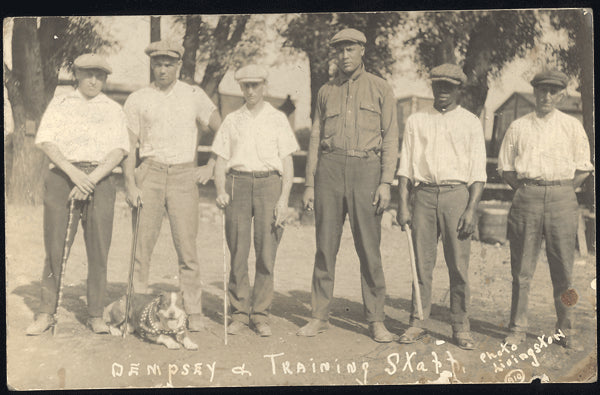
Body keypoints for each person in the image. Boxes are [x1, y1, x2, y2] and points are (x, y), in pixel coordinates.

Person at [297, 28, 399, 343]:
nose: (344, 56)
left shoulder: (381, 88)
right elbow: (315, 136)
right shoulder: (326, 91)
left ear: (362, 51)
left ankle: (376, 320)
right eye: (339, 50)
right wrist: (310, 183)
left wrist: (385, 182)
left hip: (366, 171)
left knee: (369, 250)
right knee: (325, 248)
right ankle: (319, 316)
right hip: (329, 169)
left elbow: (391, 137)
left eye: (350, 49)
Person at [26, 54, 130, 335]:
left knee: (98, 249)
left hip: (101, 180)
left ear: (105, 79)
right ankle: (46, 312)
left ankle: (96, 313)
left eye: (99, 75)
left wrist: (91, 179)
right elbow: (47, 142)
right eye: (87, 74)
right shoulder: (61, 104)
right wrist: (75, 175)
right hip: (63, 177)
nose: (94, 80)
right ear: (77, 75)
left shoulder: (112, 109)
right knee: (56, 248)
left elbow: (119, 150)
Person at [123, 40, 222, 332]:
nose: (163, 69)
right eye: (158, 63)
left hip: (183, 175)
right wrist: (130, 182)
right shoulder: (138, 98)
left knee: (187, 248)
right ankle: (136, 309)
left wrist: (212, 165)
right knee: (141, 247)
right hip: (149, 173)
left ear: (178, 65)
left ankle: (193, 311)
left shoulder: (194, 95)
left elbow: (225, 129)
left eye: (169, 64)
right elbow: (129, 145)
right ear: (152, 64)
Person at [498, 69, 592, 350]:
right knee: (521, 270)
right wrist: (530, 190)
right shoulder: (519, 126)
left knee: (564, 270)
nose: (547, 96)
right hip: (527, 197)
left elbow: (583, 169)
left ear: (562, 95)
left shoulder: (572, 126)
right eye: (542, 90)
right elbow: (506, 168)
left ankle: (566, 330)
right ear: (534, 92)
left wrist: (560, 189)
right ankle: (516, 328)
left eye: (553, 91)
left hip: (563, 198)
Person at [396, 63, 487, 350]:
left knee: (458, 265)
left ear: (458, 88)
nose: (443, 91)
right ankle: (417, 320)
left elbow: (478, 172)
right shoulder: (416, 120)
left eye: (449, 86)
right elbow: (405, 167)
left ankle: (460, 325)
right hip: (423, 196)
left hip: (457, 196)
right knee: (420, 263)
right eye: (438, 85)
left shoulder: (471, 122)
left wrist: (471, 208)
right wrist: (402, 205)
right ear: (432, 86)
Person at [212, 64, 299, 337]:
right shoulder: (232, 120)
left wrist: (283, 199)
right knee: (238, 250)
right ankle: (238, 313)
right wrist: (220, 190)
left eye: (256, 85)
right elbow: (220, 161)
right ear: (241, 88)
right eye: (246, 85)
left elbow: (287, 162)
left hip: (269, 184)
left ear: (264, 86)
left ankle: (260, 315)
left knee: (266, 252)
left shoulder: (277, 118)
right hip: (237, 183)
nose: (251, 90)